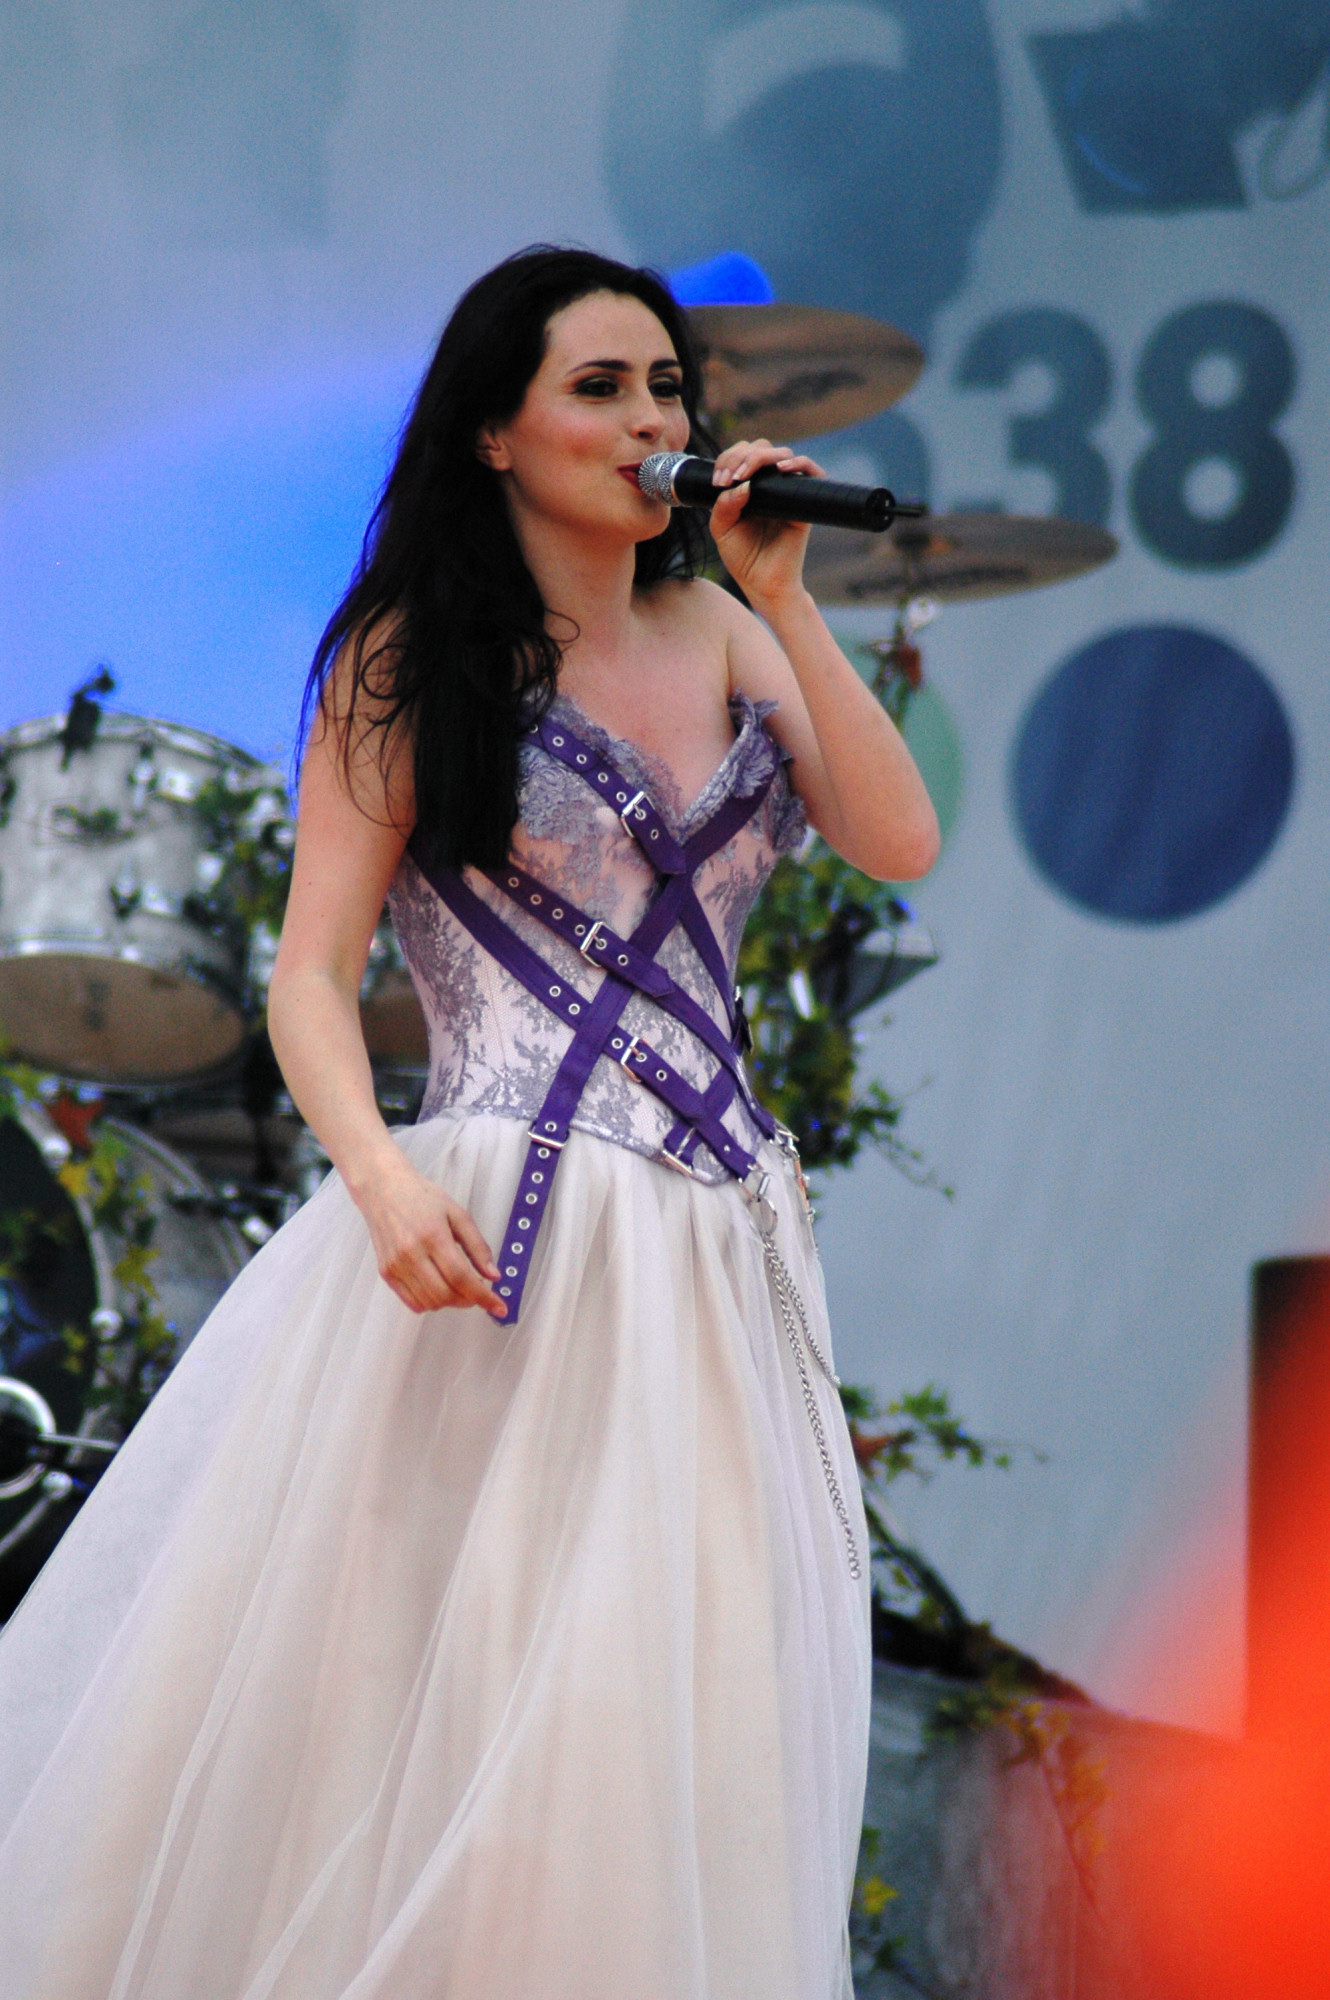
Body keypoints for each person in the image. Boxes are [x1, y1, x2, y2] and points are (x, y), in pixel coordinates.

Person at [0, 246, 937, 2000]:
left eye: (666, 387)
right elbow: (308, 976)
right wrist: (372, 1178)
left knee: (669, 1708)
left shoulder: (727, 628)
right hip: (502, 1222)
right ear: (493, 431)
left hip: (711, 1245)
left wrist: (788, 599)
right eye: (600, 387)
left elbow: (897, 841)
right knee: (465, 1695)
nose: (649, 419)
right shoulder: (409, 656)